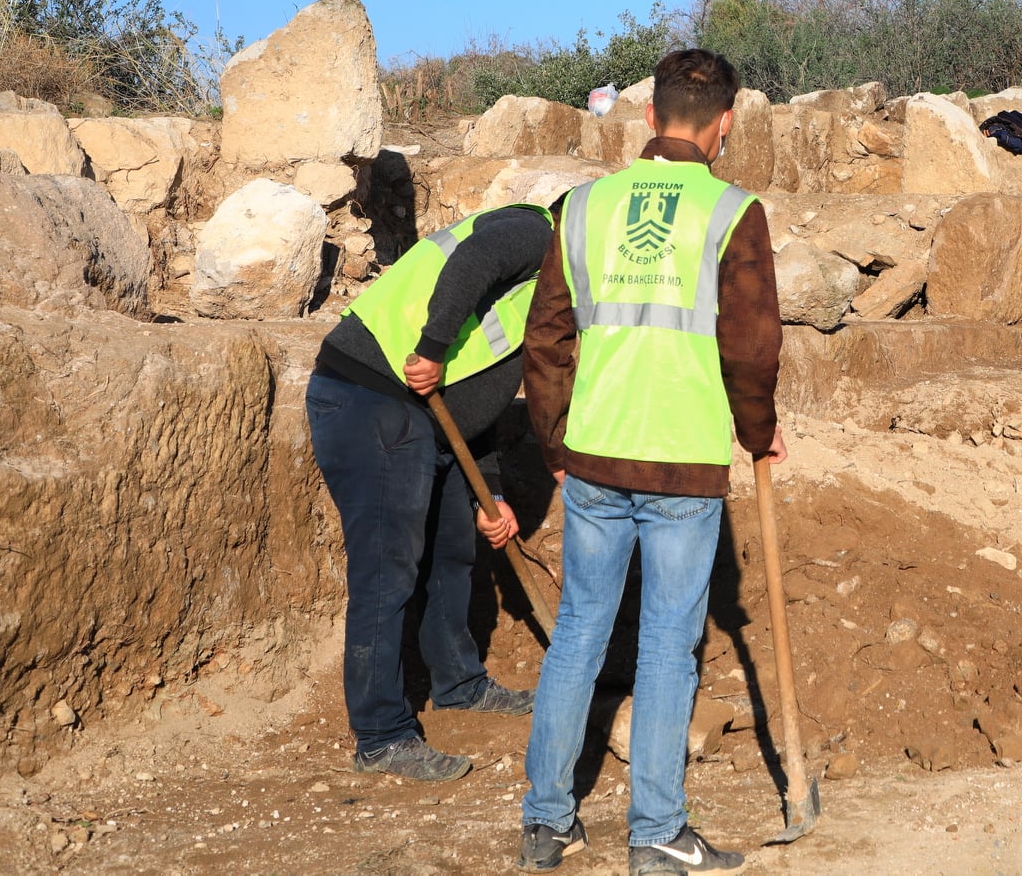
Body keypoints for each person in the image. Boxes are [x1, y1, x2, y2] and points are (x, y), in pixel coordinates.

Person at [519, 48, 784, 874]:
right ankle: (658, 833)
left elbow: (546, 337)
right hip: (682, 464)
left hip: (596, 455)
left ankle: (546, 821)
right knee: (670, 646)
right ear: (726, 122)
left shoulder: (584, 205)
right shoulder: (732, 212)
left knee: (577, 635)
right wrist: (757, 430)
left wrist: (557, 441)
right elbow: (750, 347)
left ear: (649, 117)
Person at [307, 202, 555, 780]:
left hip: (428, 417)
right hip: (372, 398)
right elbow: (474, 259)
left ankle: (458, 682)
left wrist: (487, 494)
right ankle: (381, 735)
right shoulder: (533, 231)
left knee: (452, 552)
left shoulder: (546, 295)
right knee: (387, 569)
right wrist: (434, 347)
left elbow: (481, 393)